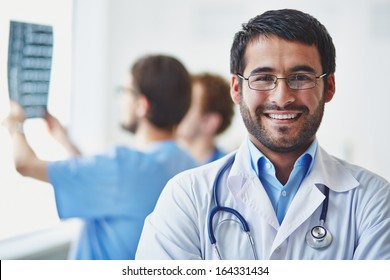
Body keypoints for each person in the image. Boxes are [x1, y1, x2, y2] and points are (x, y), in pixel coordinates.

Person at [135, 9, 390, 260]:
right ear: (237, 89)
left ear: (329, 86)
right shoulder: (186, 197)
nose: (282, 97)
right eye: (264, 78)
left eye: (301, 77)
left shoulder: (373, 201)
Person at [4, 54, 197, 260]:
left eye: (125, 92)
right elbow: (104, 185)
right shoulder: (188, 164)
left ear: (142, 105)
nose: (122, 101)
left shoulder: (122, 167)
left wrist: (15, 125)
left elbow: (25, 164)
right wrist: (63, 139)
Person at [176, 73, 234, 164]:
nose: (176, 108)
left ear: (209, 122)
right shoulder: (163, 165)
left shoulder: (228, 171)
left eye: (187, 103)